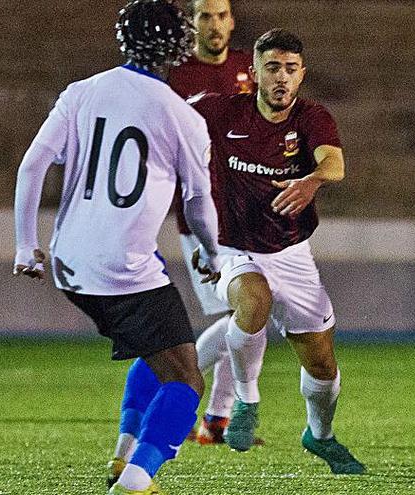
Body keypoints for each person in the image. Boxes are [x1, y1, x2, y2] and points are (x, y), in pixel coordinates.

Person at [12, 1, 222, 493]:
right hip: (123, 269)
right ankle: (135, 478)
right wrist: (212, 253)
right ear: (178, 45)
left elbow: (32, 165)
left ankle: (122, 455)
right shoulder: (181, 116)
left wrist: (26, 245)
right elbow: (197, 201)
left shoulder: (82, 92)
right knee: (187, 381)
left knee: (154, 350)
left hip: (69, 264)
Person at [188, 28, 366, 475]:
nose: (282, 78)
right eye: (272, 68)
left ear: (301, 74)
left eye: (290, 69)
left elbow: (335, 162)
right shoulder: (221, 110)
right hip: (232, 246)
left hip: (290, 251)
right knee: (253, 301)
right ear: (255, 73)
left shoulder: (311, 117)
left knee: (322, 362)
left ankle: (319, 436)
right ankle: (245, 403)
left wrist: (311, 180)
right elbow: (167, 120)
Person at [167, 0, 256, 446]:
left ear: (232, 20)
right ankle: (171, 388)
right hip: (200, 215)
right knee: (244, 311)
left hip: (245, 212)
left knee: (244, 313)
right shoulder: (176, 76)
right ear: (192, 22)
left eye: (221, 15)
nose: (215, 24)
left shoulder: (248, 69)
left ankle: (214, 421)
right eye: (205, 16)